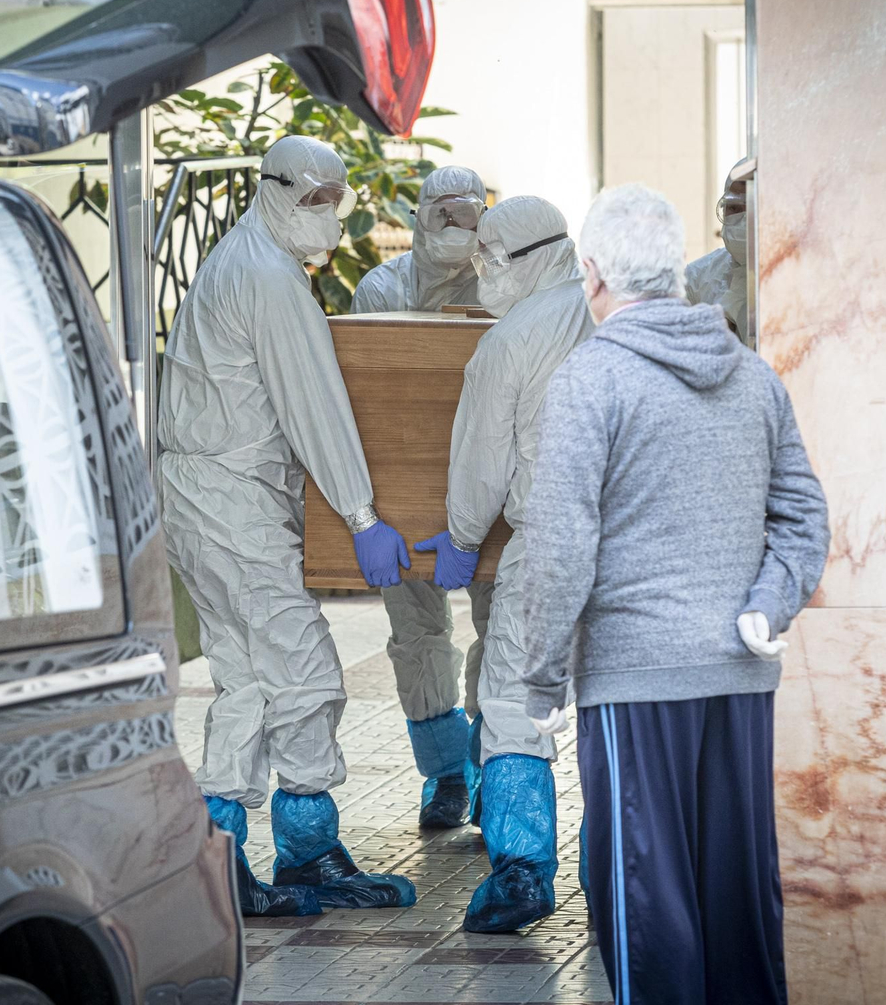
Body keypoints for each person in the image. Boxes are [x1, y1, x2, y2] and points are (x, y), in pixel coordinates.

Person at [522, 184, 829, 1004]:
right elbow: (804, 515)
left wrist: (542, 679)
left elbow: (560, 547)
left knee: (644, 905)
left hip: (635, 680)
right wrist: (766, 604)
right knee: (738, 909)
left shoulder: (591, 379)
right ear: (676, 271)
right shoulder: (753, 376)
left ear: (592, 274)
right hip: (739, 674)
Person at [159, 135, 418, 918]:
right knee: (304, 671)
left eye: (335, 201)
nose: (327, 216)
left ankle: (221, 859)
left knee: (246, 677)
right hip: (230, 501)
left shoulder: (242, 257)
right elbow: (315, 405)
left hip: (206, 493)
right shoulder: (269, 278)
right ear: (273, 191)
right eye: (312, 200)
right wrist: (362, 515)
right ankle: (307, 850)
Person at [413, 196, 594, 933]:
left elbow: (482, 462)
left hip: (548, 543)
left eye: (491, 256)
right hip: (635, 547)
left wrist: (461, 539)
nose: (480, 268)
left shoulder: (510, 339)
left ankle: (521, 871)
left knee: (515, 701)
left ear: (537, 254)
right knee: (617, 706)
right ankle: (620, 873)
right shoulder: (619, 312)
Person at [351, 164, 494, 830]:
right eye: (442, 214)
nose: (454, 226)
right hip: (403, 484)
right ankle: (446, 774)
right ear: (418, 217)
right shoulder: (380, 289)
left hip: (486, 483)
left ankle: (495, 768)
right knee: (415, 632)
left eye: (468, 214)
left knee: (502, 626)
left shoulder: (501, 283)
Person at [684, 158, 749, 340]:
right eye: (733, 208)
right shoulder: (697, 278)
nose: (741, 220)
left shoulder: (794, 278)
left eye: (751, 209)